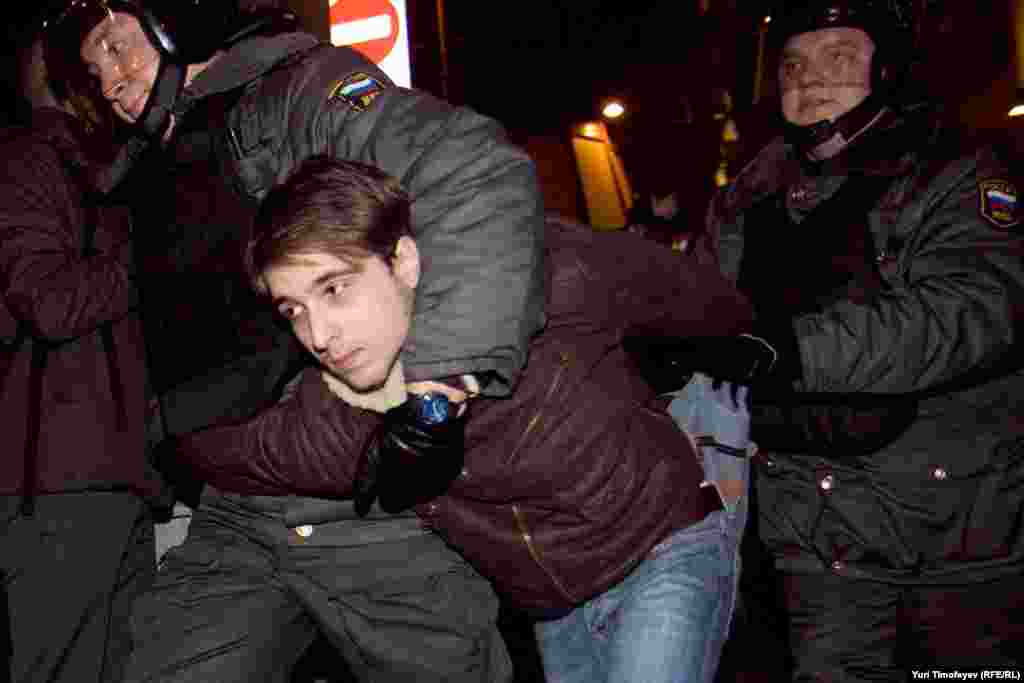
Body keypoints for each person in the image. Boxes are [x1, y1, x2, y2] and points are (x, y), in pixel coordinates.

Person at [42, 0, 544, 681]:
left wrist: (436, 392)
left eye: (116, 46)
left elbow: (475, 173)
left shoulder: (290, 96)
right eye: (94, 69)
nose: (109, 81)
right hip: (232, 514)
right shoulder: (153, 167)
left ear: (178, 17)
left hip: (357, 509)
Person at [151, 154, 755, 683]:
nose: (318, 335)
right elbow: (247, 450)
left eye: (334, 289)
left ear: (403, 260)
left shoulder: (542, 278)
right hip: (555, 608)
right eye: (294, 310)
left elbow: (680, 290)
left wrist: (748, 334)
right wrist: (149, 434)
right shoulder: (344, 411)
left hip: (666, 551)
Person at [639, 0, 1024, 677]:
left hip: (956, 530)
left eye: (838, 58)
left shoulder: (953, 170)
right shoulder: (750, 192)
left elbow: (973, 310)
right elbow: (696, 301)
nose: (810, 79)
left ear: (887, 68)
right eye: (793, 64)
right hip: (815, 531)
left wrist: (789, 346)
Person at [0, 25, 166, 683]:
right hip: (57, 480)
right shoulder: (24, 161)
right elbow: (49, 300)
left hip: (116, 473)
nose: (115, 76)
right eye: (96, 64)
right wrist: (153, 263)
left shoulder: (103, 171)